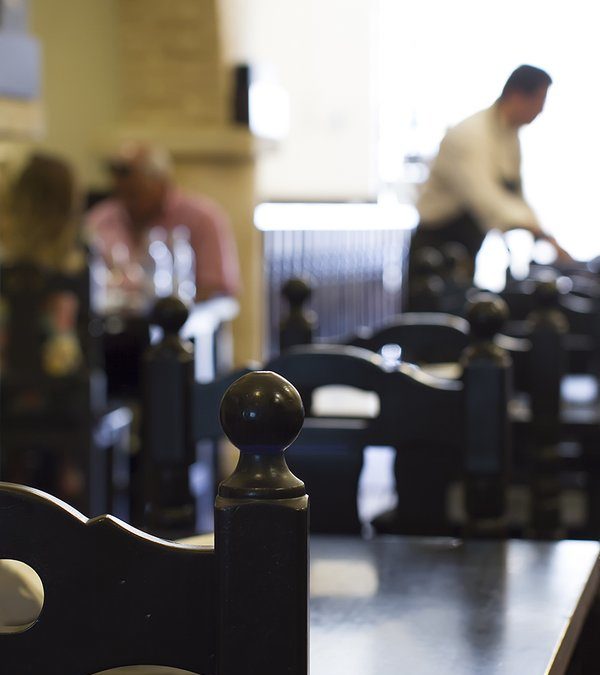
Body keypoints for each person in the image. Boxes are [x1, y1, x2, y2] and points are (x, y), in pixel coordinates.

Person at [410, 64, 568, 292]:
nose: (541, 110)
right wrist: (541, 234)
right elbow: (487, 200)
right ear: (517, 95)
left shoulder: (509, 136)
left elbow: (514, 195)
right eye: (540, 100)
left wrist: (546, 236)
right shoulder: (471, 134)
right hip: (435, 245)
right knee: (431, 321)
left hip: (468, 242)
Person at [86, 142, 241, 307]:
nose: (127, 201)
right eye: (120, 191)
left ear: (161, 181)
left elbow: (217, 288)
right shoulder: (99, 219)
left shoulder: (202, 219)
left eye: (135, 193)